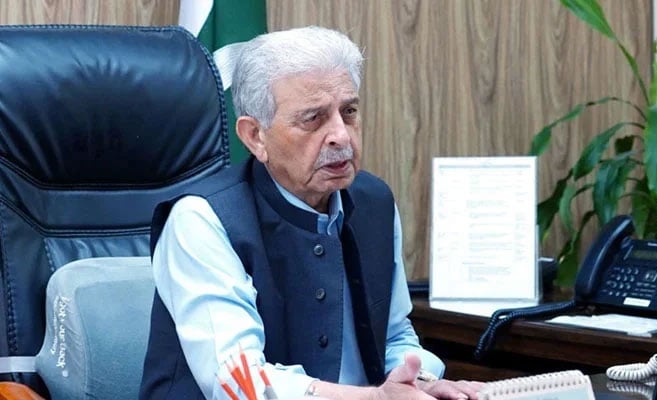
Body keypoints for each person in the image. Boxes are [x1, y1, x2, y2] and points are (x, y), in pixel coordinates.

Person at [139, 26, 482, 400]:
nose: (341, 135)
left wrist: (421, 383)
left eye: (348, 112)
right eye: (313, 119)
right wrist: (374, 398)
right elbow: (239, 383)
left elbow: (395, 336)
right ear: (255, 136)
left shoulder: (374, 202)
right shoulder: (202, 218)